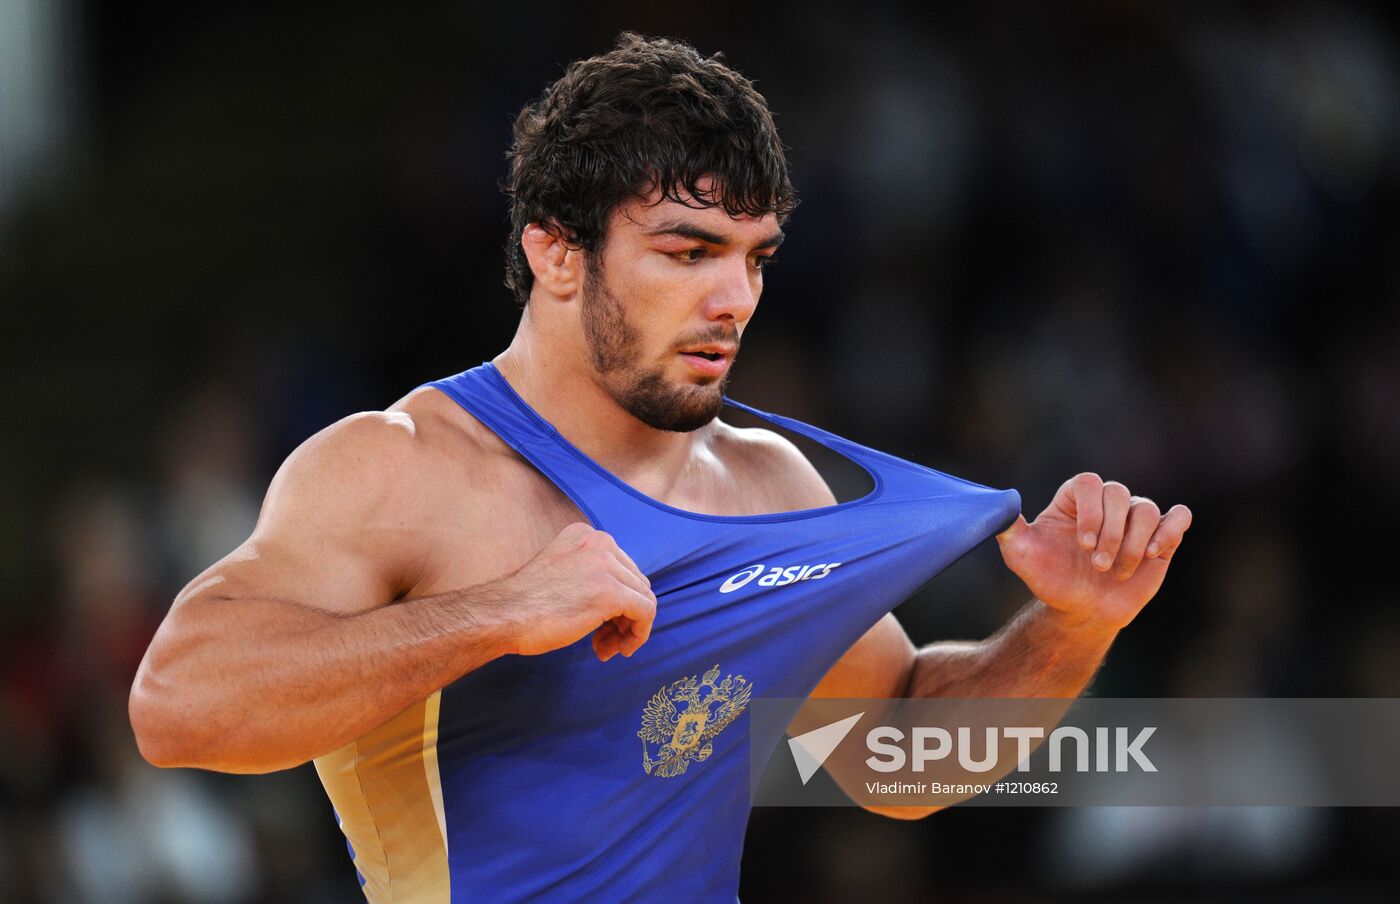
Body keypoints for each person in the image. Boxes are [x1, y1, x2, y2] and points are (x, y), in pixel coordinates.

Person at [129, 32, 1191, 902]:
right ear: (555, 251)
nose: (732, 298)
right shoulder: (403, 469)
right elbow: (179, 706)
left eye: (753, 256)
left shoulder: (770, 483)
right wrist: (497, 612)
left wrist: (1068, 627)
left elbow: (892, 760)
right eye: (686, 251)